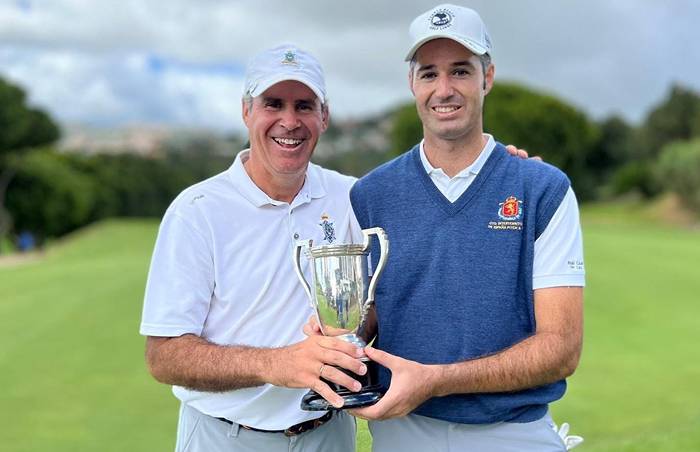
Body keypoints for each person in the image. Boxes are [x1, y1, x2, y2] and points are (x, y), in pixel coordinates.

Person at [347, 4, 585, 451]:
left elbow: (561, 348)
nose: (444, 90)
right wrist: (341, 337)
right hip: (402, 431)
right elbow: (371, 313)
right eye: (429, 73)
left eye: (460, 71)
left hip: (513, 433)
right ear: (412, 84)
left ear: (487, 77)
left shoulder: (542, 189)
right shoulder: (371, 194)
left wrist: (435, 380)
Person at [139, 44, 367, 452]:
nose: (289, 121)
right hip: (225, 436)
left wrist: (507, 166)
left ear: (324, 116)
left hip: (330, 433)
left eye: (304, 106)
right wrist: (277, 364)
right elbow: (164, 357)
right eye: (273, 103)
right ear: (247, 111)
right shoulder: (196, 211)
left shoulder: (351, 196)